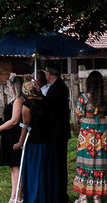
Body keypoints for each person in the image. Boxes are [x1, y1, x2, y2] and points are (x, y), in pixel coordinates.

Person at [73, 70, 107, 203]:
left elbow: (79, 114)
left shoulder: (83, 98)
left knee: (85, 160)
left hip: (87, 130)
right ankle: (97, 196)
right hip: (102, 129)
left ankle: (83, 195)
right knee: (100, 161)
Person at [20, 79, 57, 203]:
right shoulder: (47, 102)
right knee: (47, 171)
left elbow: (25, 126)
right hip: (49, 140)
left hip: (34, 142)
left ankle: (35, 198)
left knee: (34, 171)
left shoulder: (27, 105)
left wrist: (20, 142)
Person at [0, 74, 26, 203]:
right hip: (9, 135)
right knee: (13, 167)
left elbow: (14, 121)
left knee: (16, 167)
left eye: (9, 85)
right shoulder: (15, 100)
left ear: (14, 86)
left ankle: (18, 197)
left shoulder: (19, 100)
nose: (8, 88)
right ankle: (13, 196)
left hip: (14, 135)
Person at [44, 64, 71, 203]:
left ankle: (60, 194)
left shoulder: (57, 88)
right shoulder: (59, 86)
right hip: (59, 130)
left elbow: (49, 108)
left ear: (49, 74)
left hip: (58, 131)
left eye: (46, 72)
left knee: (59, 163)